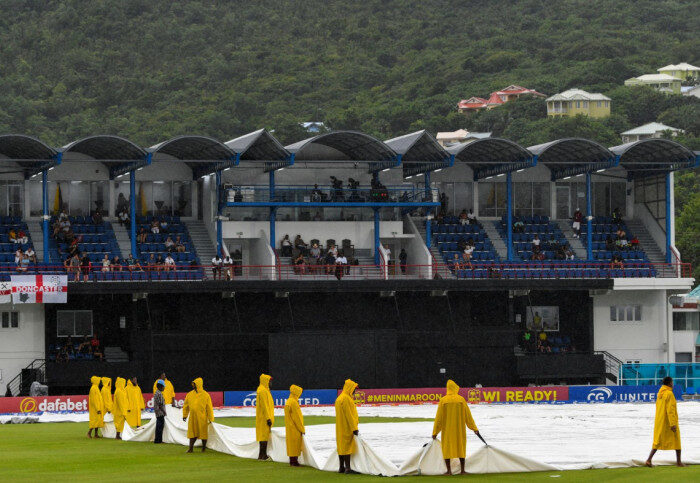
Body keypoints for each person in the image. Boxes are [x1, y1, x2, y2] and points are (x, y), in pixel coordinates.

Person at [432, 379, 480, 475]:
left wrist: (435, 432)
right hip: (459, 430)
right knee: (461, 448)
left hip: (447, 430)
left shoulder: (443, 400)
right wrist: (474, 428)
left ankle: (449, 471)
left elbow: (439, 419)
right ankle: (462, 470)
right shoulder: (461, 400)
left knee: (447, 449)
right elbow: (468, 416)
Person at [646, 377, 684, 467]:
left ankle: (649, 460)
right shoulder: (669, 394)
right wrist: (673, 423)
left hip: (660, 420)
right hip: (668, 422)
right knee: (677, 440)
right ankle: (678, 462)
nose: (673, 384)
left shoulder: (660, 393)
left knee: (658, 441)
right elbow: (670, 410)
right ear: (670, 383)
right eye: (672, 382)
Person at [182, 377, 215, 453]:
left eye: (194, 383)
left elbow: (209, 407)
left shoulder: (206, 395)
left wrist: (211, 418)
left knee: (203, 433)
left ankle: (203, 448)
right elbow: (186, 406)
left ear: (198, 384)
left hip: (202, 417)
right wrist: (185, 415)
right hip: (192, 417)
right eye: (193, 383)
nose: (193, 385)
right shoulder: (189, 394)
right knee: (192, 432)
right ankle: (191, 448)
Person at [335, 379, 359, 474]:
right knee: (347, 448)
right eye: (353, 389)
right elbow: (349, 415)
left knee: (341, 447)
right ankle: (348, 468)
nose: (354, 391)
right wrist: (354, 428)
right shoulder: (346, 399)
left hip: (340, 427)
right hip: (347, 427)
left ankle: (341, 467)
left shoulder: (339, 398)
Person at [284, 384, 306, 467]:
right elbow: (297, 418)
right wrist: (302, 429)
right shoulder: (294, 403)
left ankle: (292, 460)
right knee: (295, 444)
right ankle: (294, 462)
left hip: (289, 426)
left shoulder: (288, 401)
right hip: (295, 427)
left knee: (291, 444)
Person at [256, 374, 274, 460]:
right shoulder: (263, 391)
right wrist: (268, 418)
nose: (271, 383)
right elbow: (264, 406)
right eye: (269, 381)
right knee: (263, 436)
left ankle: (262, 455)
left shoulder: (265, 390)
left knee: (264, 436)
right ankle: (262, 455)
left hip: (265, 417)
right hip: (264, 418)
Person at [153, 379, 166, 444]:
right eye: (164, 386)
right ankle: (158, 440)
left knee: (158, 426)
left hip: (157, 412)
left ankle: (158, 440)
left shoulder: (156, 393)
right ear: (161, 386)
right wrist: (164, 412)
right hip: (160, 412)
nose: (164, 388)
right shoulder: (159, 394)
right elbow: (160, 404)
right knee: (160, 427)